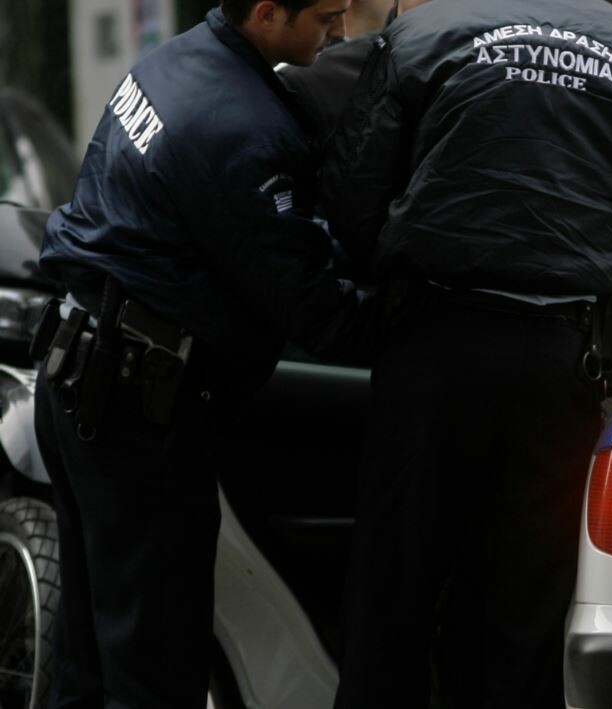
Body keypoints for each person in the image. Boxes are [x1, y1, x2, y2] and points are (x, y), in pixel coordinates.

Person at [319, 0, 612, 706]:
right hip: (561, 363)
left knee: (393, 593)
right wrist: (609, 288)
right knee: (523, 606)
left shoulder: (423, 35)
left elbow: (351, 200)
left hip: (431, 347)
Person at [32, 1, 363, 706]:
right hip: (134, 404)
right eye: (325, 16)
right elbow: (313, 306)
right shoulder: (240, 127)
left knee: (87, 658)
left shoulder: (175, 61)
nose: (338, 31)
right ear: (268, 13)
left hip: (75, 370)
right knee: (154, 672)